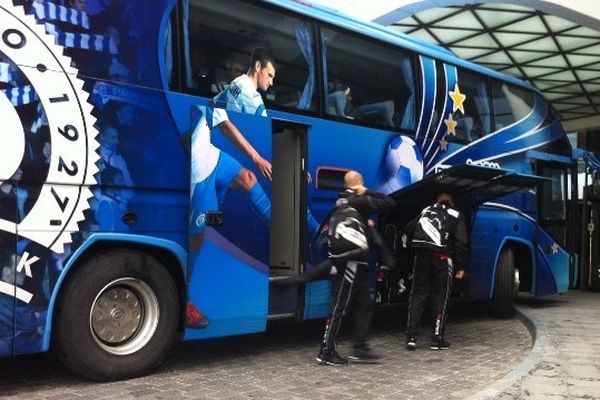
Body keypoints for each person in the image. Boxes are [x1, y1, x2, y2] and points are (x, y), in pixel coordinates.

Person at [317, 170, 395, 365]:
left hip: (354, 263)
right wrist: (366, 191)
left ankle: (359, 348)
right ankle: (326, 351)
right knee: (339, 306)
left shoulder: (341, 199)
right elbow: (389, 203)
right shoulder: (358, 200)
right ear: (359, 181)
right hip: (352, 263)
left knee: (364, 304)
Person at [405, 192, 467, 351]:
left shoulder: (426, 210)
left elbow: (408, 229)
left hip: (421, 257)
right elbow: (461, 242)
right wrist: (460, 266)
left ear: (437, 201)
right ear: (451, 202)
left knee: (418, 294)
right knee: (441, 296)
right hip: (442, 258)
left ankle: (411, 337)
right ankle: (437, 338)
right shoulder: (456, 214)